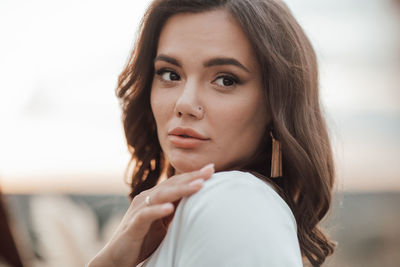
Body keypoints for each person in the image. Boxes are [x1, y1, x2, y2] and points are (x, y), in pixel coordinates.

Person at [88, 0, 336, 266]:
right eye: (170, 74)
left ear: (276, 105)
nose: (184, 103)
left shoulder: (236, 200)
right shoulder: (202, 212)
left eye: (225, 80)